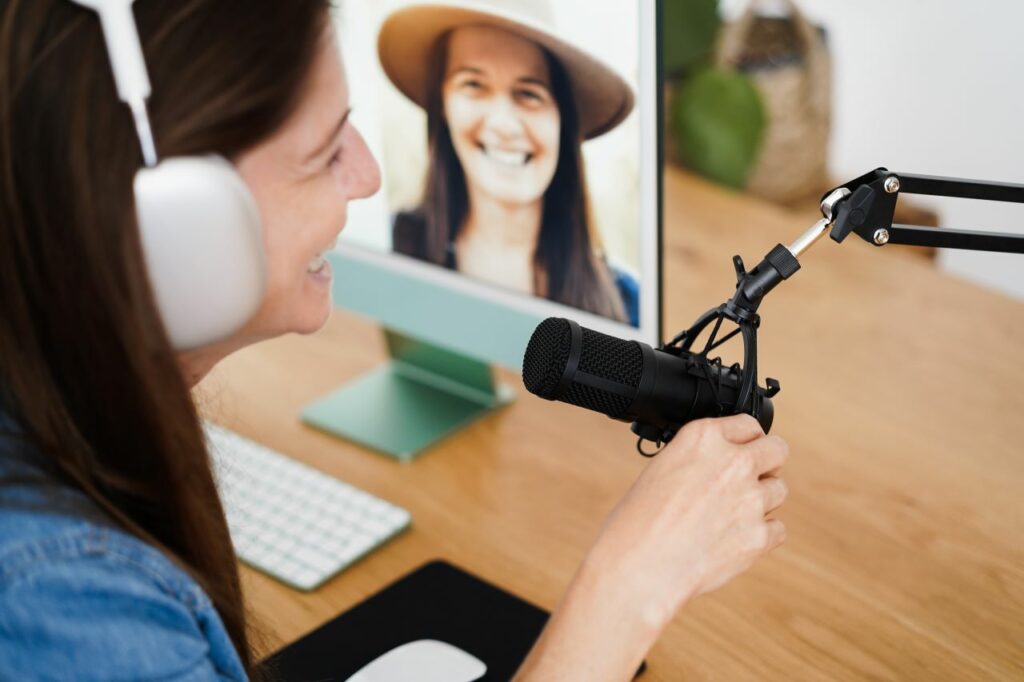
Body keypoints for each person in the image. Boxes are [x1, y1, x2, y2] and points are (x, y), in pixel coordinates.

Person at [0, 0, 789, 680]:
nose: (369, 174)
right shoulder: (64, 594)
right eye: (324, 151)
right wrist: (633, 583)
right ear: (174, 230)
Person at [380, 1, 641, 326]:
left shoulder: (627, 305)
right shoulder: (387, 248)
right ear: (443, 105)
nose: (503, 124)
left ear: (564, 121)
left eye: (529, 94)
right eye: (473, 85)